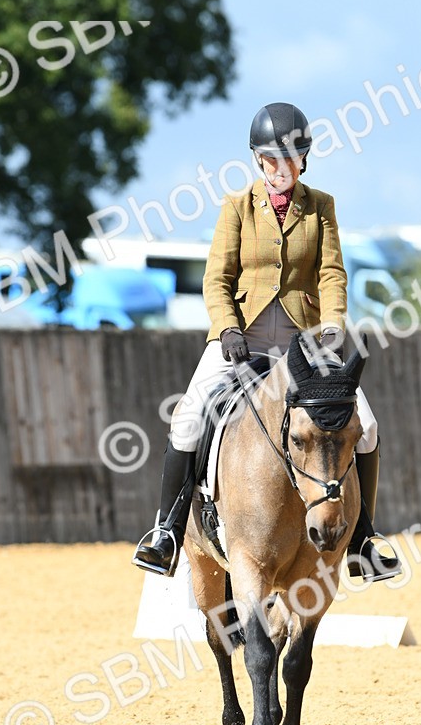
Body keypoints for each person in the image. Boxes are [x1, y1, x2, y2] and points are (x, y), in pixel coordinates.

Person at [133, 102, 401, 583]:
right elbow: (217, 279)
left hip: (306, 344)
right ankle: (167, 532)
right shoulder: (236, 207)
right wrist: (228, 327)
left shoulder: (321, 205)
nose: (283, 168)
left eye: (292, 158)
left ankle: (362, 538)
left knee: (370, 425)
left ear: (304, 158)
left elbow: (332, 272)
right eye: (273, 159)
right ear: (258, 160)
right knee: (189, 416)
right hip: (242, 338)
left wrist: (335, 325)